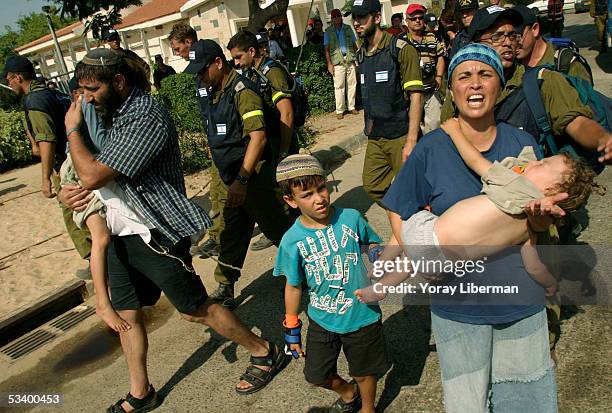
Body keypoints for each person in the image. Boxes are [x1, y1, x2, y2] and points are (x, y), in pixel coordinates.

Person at [60, 49, 288, 410]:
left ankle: (266, 350)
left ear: (118, 82)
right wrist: (68, 191)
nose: (84, 98)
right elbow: (82, 171)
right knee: (128, 313)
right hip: (119, 230)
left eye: (91, 89)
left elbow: (93, 172)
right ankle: (142, 391)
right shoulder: (107, 112)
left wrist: (71, 130)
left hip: (155, 230)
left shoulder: (145, 115)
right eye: (81, 90)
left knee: (194, 308)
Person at [382, 44, 559, 412]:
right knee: (468, 405)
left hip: (519, 303)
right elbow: (397, 210)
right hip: (458, 310)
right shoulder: (430, 149)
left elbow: (535, 227)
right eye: (464, 76)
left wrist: (541, 219)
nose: (474, 84)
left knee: (524, 402)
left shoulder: (523, 144)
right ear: (451, 87)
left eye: (486, 74)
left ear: (499, 84)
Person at [273, 154, 390, 413]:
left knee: (364, 372)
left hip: (362, 314)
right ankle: (349, 393)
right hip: (322, 317)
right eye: (307, 195)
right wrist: (291, 326)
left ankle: (367, 408)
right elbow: (292, 286)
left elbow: (373, 246)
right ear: (291, 201)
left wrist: (381, 273)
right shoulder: (291, 240)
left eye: (321, 188)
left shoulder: (350, 218)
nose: (319, 199)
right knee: (316, 375)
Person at [184, 40, 294, 307]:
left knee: (280, 229)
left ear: (218, 63)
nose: (198, 76)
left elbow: (258, 138)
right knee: (231, 233)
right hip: (231, 176)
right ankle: (225, 285)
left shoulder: (242, 91)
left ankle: (308, 274)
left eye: (202, 70)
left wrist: (242, 180)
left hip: (253, 176)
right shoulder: (214, 92)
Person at [2, 56, 92, 277]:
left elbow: (47, 140)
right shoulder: (51, 92)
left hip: (65, 166)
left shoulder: (35, 100)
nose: (9, 84)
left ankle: (95, 259)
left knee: (73, 213)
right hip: (79, 157)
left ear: (17, 77)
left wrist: (45, 179)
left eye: (9, 79)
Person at [227, 30, 300, 251]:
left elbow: (286, 114)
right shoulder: (252, 73)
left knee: (285, 194)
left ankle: (299, 237)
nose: (236, 63)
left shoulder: (272, 71)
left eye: (239, 57)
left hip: (280, 143)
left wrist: (284, 153)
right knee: (274, 195)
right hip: (268, 144)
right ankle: (281, 231)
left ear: (251, 51)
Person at [351, 0, 424, 205]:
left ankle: (417, 227)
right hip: (376, 135)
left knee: (411, 191)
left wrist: (411, 140)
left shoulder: (400, 49)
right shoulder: (361, 54)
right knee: (373, 185)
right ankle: (401, 218)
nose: (357, 22)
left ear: (376, 18)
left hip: (400, 135)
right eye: (354, 18)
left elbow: (416, 95)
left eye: (362, 17)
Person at [168, 23, 221, 258]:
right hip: (215, 139)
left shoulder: (209, 64)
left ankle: (221, 237)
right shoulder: (199, 73)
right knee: (219, 191)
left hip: (224, 139)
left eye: (178, 48)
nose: (177, 54)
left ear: (189, 42)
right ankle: (220, 236)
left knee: (222, 192)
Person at [515, 5, 593, 84]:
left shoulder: (566, 63)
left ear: (535, 29)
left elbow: (586, 95)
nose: (511, 43)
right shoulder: (511, 65)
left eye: (517, 36)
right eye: (505, 36)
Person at [402, 4, 446, 134]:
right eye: (413, 18)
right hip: (410, 94)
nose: (417, 20)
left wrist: (439, 76)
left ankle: (432, 151)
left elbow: (440, 57)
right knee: (414, 129)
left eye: (420, 18)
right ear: (407, 21)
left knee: (434, 125)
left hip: (431, 89)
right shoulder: (401, 41)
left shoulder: (432, 38)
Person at [324, 8, 359, 120]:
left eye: (337, 16)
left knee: (352, 84)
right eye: (334, 17)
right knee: (339, 86)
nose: (336, 18)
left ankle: (351, 107)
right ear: (332, 19)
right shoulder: (328, 31)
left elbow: (354, 44)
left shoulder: (348, 28)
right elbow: (326, 49)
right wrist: (329, 64)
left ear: (340, 17)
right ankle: (339, 110)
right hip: (337, 62)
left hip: (350, 59)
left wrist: (356, 59)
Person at [103, 28, 151, 92]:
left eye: (117, 38)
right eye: (112, 40)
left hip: (141, 90)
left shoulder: (129, 54)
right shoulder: (109, 59)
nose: (115, 41)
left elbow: (145, 66)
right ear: (107, 42)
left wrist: (145, 82)